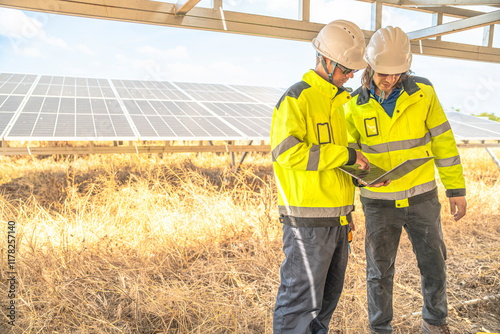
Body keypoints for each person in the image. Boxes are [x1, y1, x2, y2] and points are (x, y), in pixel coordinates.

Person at [344, 26, 467, 334]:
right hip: (378, 204)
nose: (391, 79)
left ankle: (435, 323)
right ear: (370, 66)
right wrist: (364, 179)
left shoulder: (424, 92)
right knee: (379, 272)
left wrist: (455, 189)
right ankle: (380, 328)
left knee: (434, 264)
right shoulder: (352, 105)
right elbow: (347, 155)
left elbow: (443, 142)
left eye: (399, 73)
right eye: (385, 73)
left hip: (422, 198)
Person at [271, 20, 374, 334]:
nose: (351, 76)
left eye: (353, 70)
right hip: (308, 222)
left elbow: (329, 163)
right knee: (300, 301)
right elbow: (287, 152)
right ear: (325, 60)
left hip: (337, 220)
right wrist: (345, 155)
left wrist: (353, 191)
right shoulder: (297, 98)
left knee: (326, 302)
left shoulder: (338, 103)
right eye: (346, 69)